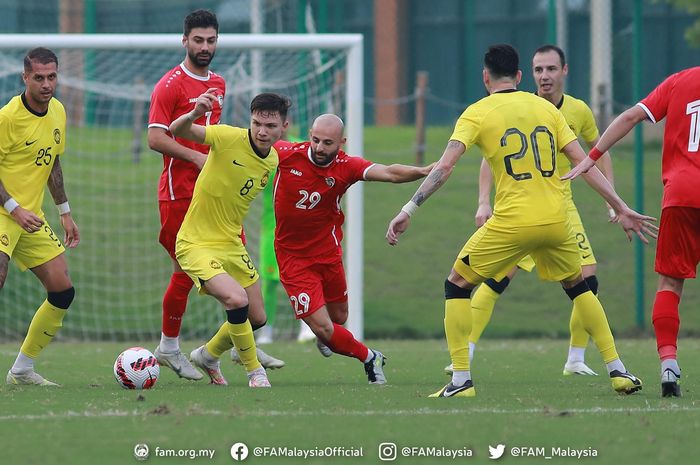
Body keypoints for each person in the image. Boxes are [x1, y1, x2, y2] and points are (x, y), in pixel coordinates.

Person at [386, 44, 657, 398]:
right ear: (518, 76)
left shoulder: (476, 113)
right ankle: (618, 370)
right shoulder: (547, 109)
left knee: (457, 284)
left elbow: (444, 166)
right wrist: (619, 206)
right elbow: (584, 162)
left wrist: (409, 208)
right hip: (557, 220)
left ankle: (460, 380)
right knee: (578, 287)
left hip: (513, 222)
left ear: (486, 77)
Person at [448, 45, 615, 376]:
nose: (545, 76)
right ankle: (465, 350)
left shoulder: (577, 111)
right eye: (539, 70)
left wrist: (613, 200)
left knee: (587, 278)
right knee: (497, 279)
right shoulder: (523, 107)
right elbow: (488, 157)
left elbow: (595, 154)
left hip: (560, 206)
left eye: (551, 69)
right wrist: (484, 201)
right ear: (527, 75)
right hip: (522, 209)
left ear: (564, 71)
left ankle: (576, 358)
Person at [147, 9, 283, 379]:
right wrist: (195, 157)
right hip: (179, 192)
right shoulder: (169, 85)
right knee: (184, 271)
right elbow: (155, 137)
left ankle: (224, 348)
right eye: (198, 40)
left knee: (240, 283)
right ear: (185, 40)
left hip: (217, 196)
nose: (205, 47)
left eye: (211, 40)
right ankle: (170, 347)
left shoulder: (219, 83)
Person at [564, 66, 700, 398]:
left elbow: (629, 118)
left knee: (670, 282)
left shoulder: (681, 81)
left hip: (682, 193)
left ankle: (669, 363)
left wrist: (590, 157)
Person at [269, 114, 433, 384]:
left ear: (342, 143)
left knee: (339, 318)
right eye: (316, 140)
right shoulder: (285, 153)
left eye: (328, 143)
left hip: (328, 253)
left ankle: (331, 337)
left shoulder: (346, 166)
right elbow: (246, 148)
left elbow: (389, 172)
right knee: (323, 328)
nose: (320, 148)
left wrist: (422, 171)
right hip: (292, 257)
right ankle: (370, 357)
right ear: (309, 134)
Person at [169, 90, 291, 387]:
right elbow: (176, 131)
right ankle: (254, 372)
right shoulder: (226, 137)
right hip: (195, 242)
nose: (262, 131)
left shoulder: (272, 160)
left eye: (270, 126)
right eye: (257, 123)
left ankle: (208, 355)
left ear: (283, 127)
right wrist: (195, 113)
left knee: (258, 316)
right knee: (236, 301)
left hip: (231, 243)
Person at [2, 47, 79, 386]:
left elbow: (52, 162)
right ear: (25, 78)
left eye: (52, 76)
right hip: (5, 212)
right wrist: (13, 209)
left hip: (31, 218)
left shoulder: (58, 111)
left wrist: (64, 212)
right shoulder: (7, 118)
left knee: (62, 290)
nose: (47, 84)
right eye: (39, 78)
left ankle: (21, 370)